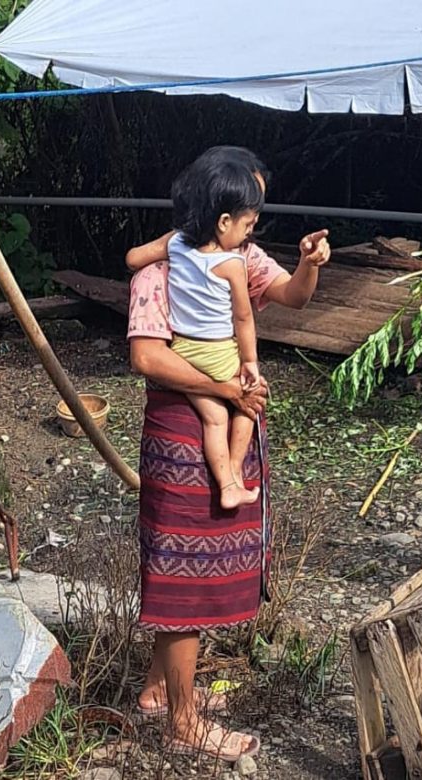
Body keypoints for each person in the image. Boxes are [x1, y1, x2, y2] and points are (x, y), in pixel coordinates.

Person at [128, 147, 330, 762]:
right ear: (216, 209)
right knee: (180, 577)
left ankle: (161, 690)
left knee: (199, 570)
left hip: (227, 412)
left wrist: (309, 264)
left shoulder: (241, 255)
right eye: (247, 212)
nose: (253, 225)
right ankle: (185, 722)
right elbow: (146, 356)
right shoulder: (161, 266)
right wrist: (226, 387)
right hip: (179, 433)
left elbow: (292, 297)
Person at [126, 149, 264, 510]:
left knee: (215, 416)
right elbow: (244, 319)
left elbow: (133, 258)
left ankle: (226, 483)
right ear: (223, 222)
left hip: (184, 351)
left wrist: (166, 250)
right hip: (219, 354)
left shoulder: (176, 245)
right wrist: (248, 364)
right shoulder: (233, 262)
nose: (251, 233)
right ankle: (232, 473)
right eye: (248, 225)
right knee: (249, 406)